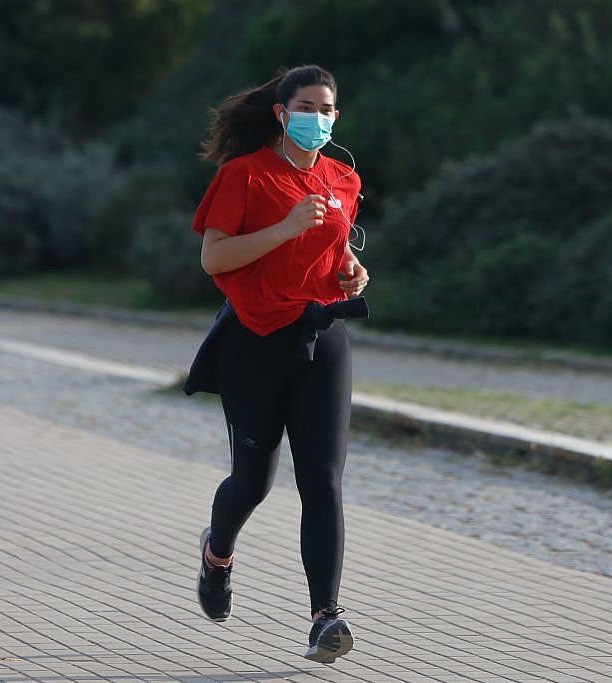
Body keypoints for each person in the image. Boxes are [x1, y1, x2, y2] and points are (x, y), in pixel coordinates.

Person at [182, 64, 369, 665]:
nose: (318, 117)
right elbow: (214, 257)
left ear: (336, 117)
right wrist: (284, 229)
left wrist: (352, 271)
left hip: (323, 336)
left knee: (324, 481)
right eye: (306, 107)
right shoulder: (244, 175)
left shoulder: (343, 177)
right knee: (252, 483)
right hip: (256, 340)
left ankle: (325, 617)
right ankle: (217, 555)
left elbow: (335, 249)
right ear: (282, 114)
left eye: (326, 109)